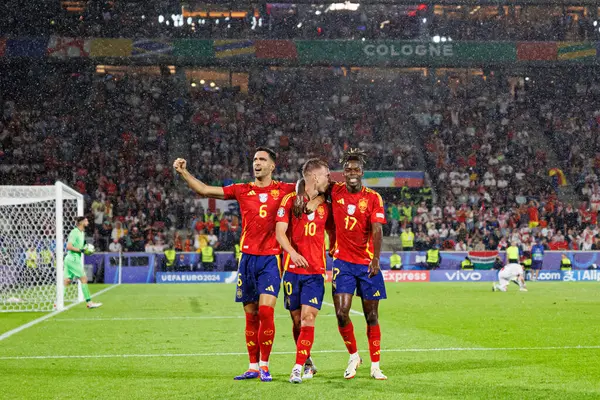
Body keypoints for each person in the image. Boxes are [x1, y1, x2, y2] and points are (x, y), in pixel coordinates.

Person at [173, 147, 296, 382]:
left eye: (262, 160)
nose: (257, 163)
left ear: (272, 166)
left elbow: (312, 190)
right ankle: (252, 366)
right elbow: (205, 190)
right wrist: (184, 172)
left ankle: (265, 365)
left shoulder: (285, 190)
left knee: (266, 312)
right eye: (254, 160)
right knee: (251, 316)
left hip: (271, 259)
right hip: (247, 259)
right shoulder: (242, 190)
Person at [328, 149, 388, 380]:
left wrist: (375, 259)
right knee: (342, 313)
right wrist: (302, 193)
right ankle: (354, 356)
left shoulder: (373, 197)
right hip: (342, 262)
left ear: (362, 172)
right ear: (343, 173)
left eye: (355, 169)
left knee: (371, 315)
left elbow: (377, 229)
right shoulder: (335, 190)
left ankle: (375, 366)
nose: (351, 172)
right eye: (348, 169)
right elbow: (308, 181)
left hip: (366, 264)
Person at [275, 159, 333, 384]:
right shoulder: (290, 200)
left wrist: (335, 245)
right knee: (297, 321)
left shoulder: (326, 203)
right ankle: (307, 361)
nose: (329, 178)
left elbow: (334, 224)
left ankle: (297, 367)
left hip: (315, 271)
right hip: (291, 270)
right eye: (326, 175)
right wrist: (292, 252)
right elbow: (281, 233)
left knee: (309, 317)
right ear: (315, 177)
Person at [64, 217, 102, 309]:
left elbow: (81, 247)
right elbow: (69, 246)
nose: (88, 222)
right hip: (73, 259)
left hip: (72, 259)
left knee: (67, 281)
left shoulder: (82, 233)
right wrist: (81, 250)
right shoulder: (74, 232)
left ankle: (57, 303)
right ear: (81, 222)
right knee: (84, 279)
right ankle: (89, 302)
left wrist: (87, 249)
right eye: (86, 220)